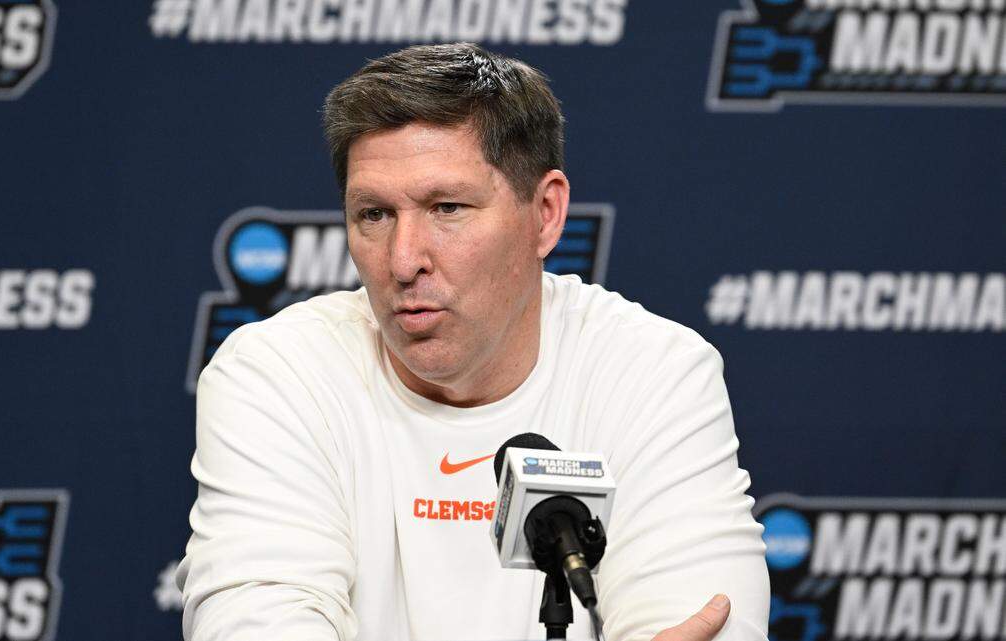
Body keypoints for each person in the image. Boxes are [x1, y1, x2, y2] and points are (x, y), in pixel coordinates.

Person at [177, 43, 770, 641]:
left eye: (447, 207)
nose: (404, 262)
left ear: (545, 213)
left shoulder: (655, 374)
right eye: (375, 215)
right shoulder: (277, 375)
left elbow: (700, 625)